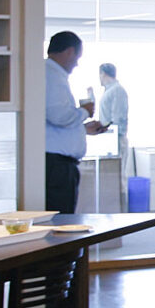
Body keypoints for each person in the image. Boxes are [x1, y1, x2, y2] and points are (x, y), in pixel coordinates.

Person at [45, 31, 104, 213]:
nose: (76, 63)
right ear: (70, 51)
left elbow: (54, 122)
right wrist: (84, 112)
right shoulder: (51, 75)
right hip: (57, 165)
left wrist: (82, 128)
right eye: (77, 57)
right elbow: (59, 116)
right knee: (61, 219)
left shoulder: (50, 74)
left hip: (58, 163)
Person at [95, 62, 131, 206]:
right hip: (109, 141)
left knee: (119, 178)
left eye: (99, 74)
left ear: (103, 73)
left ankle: (122, 212)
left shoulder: (117, 91)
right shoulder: (109, 91)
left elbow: (117, 118)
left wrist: (111, 138)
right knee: (111, 179)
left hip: (117, 140)